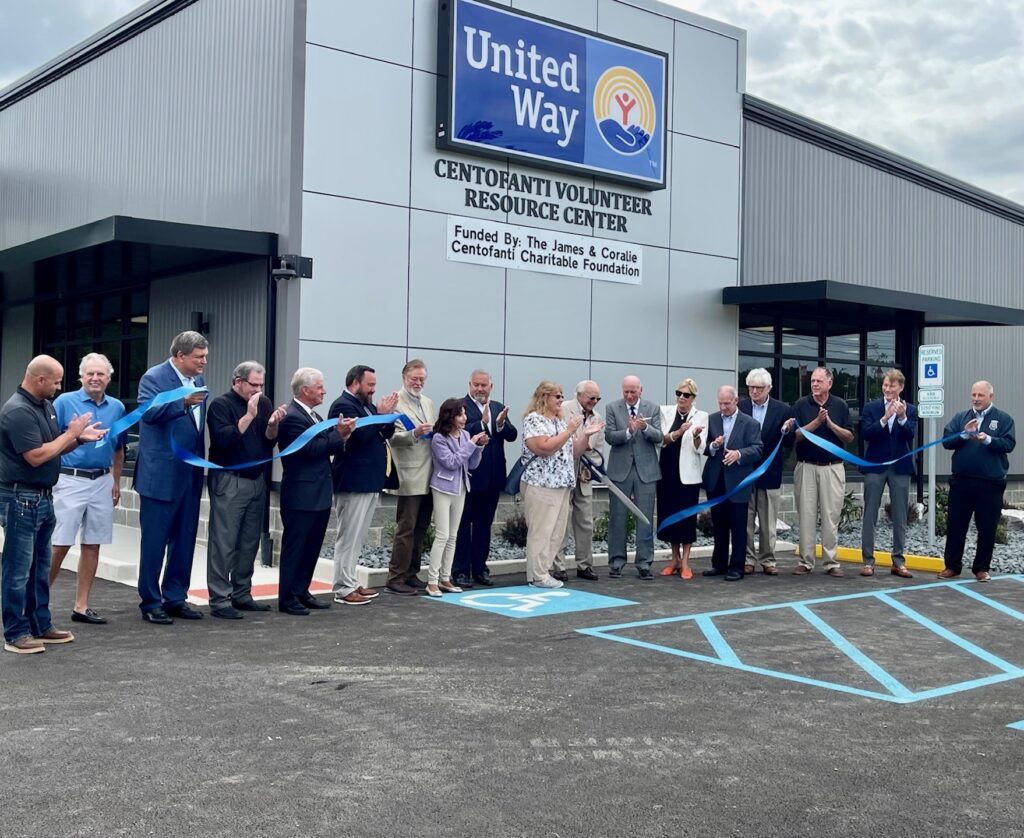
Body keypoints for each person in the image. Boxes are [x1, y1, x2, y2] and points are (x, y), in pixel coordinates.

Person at [0, 356, 105, 653]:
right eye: (56, 381)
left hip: (43, 497)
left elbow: (54, 446)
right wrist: (70, 435)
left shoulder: (43, 406)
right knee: (18, 569)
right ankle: (15, 633)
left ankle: (40, 624)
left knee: (39, 566)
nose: (60, 387)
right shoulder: (17, 411)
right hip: (21, 498)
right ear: (39, 380)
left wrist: (78, 440)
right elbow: (35, 456)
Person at [135, 330, 210, 624]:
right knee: (154, 541)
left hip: (190, 474)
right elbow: (149, 414)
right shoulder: (154, 378)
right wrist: (183, 404)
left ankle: (176, 597)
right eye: (198, 357)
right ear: (180, 355)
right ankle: (151, 602)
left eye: (205, 356)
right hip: (160, 475)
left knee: (185, 539)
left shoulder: (198, 381)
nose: (204, 362)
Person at [204, 361, 287, 619]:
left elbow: (267, 441)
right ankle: (220, 599)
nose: (257, 390)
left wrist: (273, 424)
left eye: (261, 385)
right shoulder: (220, 405)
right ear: (237, 381)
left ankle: (242, 593)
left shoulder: (263, 402)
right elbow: (224, 440)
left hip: (257, 480)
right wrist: (249, 416)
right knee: (224, 542)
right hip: (230, 479)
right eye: (253, 385)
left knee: (249, 541)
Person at [48, 353, 126, 625]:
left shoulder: (117, 407)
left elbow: (119, 448)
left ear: (109, 377)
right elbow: (50, 442)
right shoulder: (64, 402)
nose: (95, 378)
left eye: (100, 374)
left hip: (102, 481)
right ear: (81, 376)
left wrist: (116, 482)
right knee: (59, 544)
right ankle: (37, 602)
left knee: (93, 544)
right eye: (90, 373)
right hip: (70, 479)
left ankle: (81, 607)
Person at [276, 368, 355, 615]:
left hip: (319, 492)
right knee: (296, 546)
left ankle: (301, 590)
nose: (324, 391)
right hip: (301, 494)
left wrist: (342, 435)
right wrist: (338, 435)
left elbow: (325, 446)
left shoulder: (314, 416)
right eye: (320, 387)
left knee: (311, 546)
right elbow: (307, 451)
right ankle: (287, 597)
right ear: (305, 390)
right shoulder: (292, 417)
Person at [520, 381, 602, 588]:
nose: (561, 400)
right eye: (557, 396)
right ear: (544, 397)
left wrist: (585, 435)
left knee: (555, 532)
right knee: (541, 531)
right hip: (541, 484)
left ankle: (544, 572)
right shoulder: (534, 420)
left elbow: (574, 451)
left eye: (562, 396)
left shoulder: (558, 421)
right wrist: (570, 430)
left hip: (562, 484)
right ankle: (537, 575)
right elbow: (543, 447)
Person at [327, 365, 397, 606]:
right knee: (348, 535)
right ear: (355, 383)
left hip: (370, 480)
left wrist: (386, 416)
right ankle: (342, 587)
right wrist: (379, 415)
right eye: (370, 385)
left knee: (358, 536)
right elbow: (359, 437)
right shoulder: (343, 405)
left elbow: (383, 433)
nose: (373, 390)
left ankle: (351, 580)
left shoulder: (367, 406)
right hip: (353, 480)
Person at [938, 380, 1016, 583]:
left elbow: (1009, 444)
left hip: (990, 483)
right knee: (956, 526)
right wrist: (964, 434)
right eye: (973, 395)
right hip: (962, 482)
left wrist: (988, 439)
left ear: (991, 396)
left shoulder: (1003, 419)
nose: (976, 399)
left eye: (980, 395)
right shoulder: (961, 417)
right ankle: (952, 566)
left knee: (987, 527)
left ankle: (981, 568)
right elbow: (946, 441)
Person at [452, 370, 517, 588]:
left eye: (484, 385)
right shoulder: (459, 406)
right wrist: (481, 424)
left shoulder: (498, 406)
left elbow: (512, 434)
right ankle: (460, 571)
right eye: (476, 385)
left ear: (491, 386)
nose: (480, 389)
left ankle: (480, 568)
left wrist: (500, 424)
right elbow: (456, 431)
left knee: (484, 525)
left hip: (493, 477)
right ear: (469, 385)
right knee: (463, 525)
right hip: (469, 477)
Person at [792, 367, 853, 577]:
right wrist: (816, 423)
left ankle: (831, 562)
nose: (814, 384)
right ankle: (805, 561)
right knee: (806, 515)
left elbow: (849, 437)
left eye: (819, 381)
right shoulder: (801, 405)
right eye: (812, 381)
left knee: (830, 515)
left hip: (832, 468)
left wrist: (829, 424)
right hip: (806, 466)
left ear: (829, 383)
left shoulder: (840, 405)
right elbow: (794, 436)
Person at [859, 369, 917, 579]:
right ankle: (868, 561)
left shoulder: (910, 409)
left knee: (900, 516)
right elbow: (866, 434)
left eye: (892, 386)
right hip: (875, 466)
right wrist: (884, 418)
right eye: (885, 385)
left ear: (900, 387)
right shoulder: (871, 408)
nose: (888, 389)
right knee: (870, 514)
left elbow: (910, 434)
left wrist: (901, 417)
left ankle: (898, 561)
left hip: (900, 467)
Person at [702, 386, 763, 581]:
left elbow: (758, 449)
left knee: (738, 527)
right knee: (718, 525)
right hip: (716, 481)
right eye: (720, 403)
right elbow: (704, 448)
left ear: (736, 401)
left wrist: (739, 454)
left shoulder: (751, 423)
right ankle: (719, 564)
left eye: (727, 403)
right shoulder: (711, 419)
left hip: (738, 482)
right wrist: (713, 446)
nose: (723, 407)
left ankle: (737, 567)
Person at [604, 375, 662, 579]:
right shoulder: (612, 408)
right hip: (620, 470)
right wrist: (628, 432)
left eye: (633, 392)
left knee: (645, 518)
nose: (629, 396)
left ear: (641, 390)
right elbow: (609, 436)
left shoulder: (653, 408)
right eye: (626, 392)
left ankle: (644, 563)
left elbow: (660, 437)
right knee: (617, 518)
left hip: (646, 471)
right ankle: (616, 562)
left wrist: (644, 428)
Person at [426, 399, 486, 596]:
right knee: (442, 535)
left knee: (453, 535)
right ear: (449, 417)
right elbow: (451, 462)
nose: (464, 419)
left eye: (464, 414)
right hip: (443, 487)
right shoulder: (439, 438)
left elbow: (473, 465)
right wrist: (471, 444)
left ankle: (445, 578)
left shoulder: (466, 435)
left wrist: (478, 447)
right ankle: (432, 581)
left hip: (461, 487)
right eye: (460, 415)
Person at [386, 359, 436, 596]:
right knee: (405, 527)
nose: (418, 382)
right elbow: (392, 438)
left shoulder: (428, 402)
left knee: (421, 527)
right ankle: (395, 576)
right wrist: (414, 433)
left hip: (429, 473)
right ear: (404, 377)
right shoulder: (395, 402)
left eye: (422, 379)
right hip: (408, 472)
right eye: (414, 378)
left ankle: (411, 573)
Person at [738, 368, 795, 575]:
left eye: (759, 388)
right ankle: (748, 559)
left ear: (768, 388)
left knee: (768, 521)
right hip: (745, 472)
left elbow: (788, 443)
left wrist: (788, 430)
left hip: (770, 472)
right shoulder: (741, 406)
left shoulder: (782, 409)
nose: (754, 391)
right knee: (746, 520)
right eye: (751, 387)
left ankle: (768, 560)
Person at [552, 380, 606, 582]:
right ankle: (558, 566)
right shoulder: (564, 409)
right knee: (561, 522)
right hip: (562, 476)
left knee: (585, 522)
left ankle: (585, 565)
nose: (594, 402)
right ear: (579, 395)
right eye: (591, 398)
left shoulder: (597, 417)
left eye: (597, 398)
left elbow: (597, 449)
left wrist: (588, 469)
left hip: (583, 477)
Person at [657, 379, 707, 580]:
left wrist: (695, 436)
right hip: (667, 472)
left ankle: (685, 562)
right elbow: (660, 439)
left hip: (688, 476)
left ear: (693, 398)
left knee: (686, 518)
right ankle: (674, 559)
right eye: (679, 393)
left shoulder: (701, 416)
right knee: (670, 517)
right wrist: (678, 433)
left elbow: (701, 448)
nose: (681, 398)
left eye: (686, 395)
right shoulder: (666, 412)